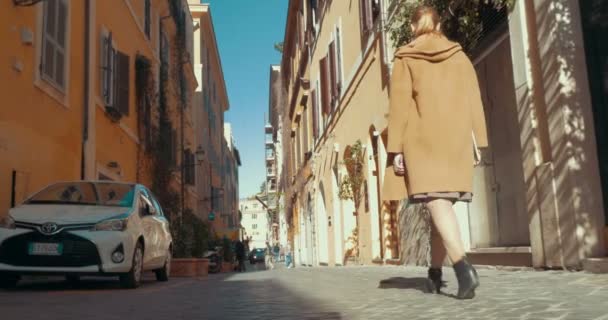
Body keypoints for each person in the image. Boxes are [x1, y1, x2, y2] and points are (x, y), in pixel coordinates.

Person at [383, 5, 488, 300]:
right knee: (439, 206)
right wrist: (476, 139)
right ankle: (434, 272)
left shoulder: (406, 57)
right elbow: (473, 98)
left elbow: (400, 105)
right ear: (439, 25)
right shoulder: (459, 55)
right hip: (454, 137)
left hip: (422, 139)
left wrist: (396, 150)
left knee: (435, 202)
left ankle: (463, 267)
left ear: (414, 28)